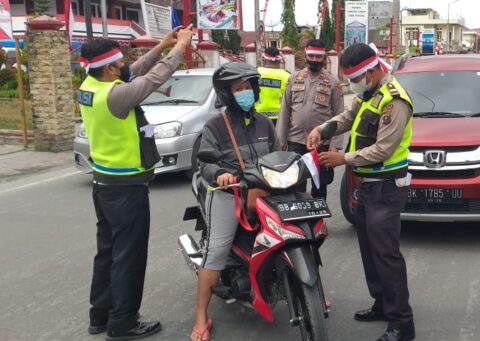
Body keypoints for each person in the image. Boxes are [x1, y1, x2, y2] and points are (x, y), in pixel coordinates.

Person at [78, 24, 194, 340]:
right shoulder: (115, 96)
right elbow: (152, 79)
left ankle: (99, 316)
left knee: (108, 252)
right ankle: (123, 322)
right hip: (125, 187)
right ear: (108, 69)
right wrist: (179, 48)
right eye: (118, 63)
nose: (124, 66)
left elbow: (133, 71)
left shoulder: (90, 85)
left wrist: (160, 45)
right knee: (129, 256)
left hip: (103, 184)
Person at [306, 43, 415, 341]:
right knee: (369, 250)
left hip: (386, 187)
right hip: (367, 187)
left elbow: (383, 149)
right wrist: (323, 129)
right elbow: (346, 118)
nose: (353, 85)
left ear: (371, 71)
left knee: (386, 254)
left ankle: (402, 324)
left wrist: (344, 159)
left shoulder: (394, 101)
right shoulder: (369, 93)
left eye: (355, 79)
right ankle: (382, 303)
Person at [190, 62, 277, 341]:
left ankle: (307, 284)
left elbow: (278, 155)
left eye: (248, 86)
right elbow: (204, 163)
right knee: (216, 251)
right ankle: (201, 317)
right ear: (227, 94)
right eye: (238, 88)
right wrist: (221, 175)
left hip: (262, 191)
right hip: (230, 194)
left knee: (295, 229)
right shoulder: (215, 125)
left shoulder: (264, 123)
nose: (245, 92)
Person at [276, 39, 344, 198]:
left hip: (321, 144)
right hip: (296, 141)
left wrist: (335, 145)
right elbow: (285, 110)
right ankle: (299, 221)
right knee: (295, 184)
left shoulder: (333, 82)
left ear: (324, 57)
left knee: (320, 184)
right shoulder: (294, 79)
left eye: (318, 56)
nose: (314, 59)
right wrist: (281, 139)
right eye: (311, 55)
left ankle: (318, 220)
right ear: (306, 55)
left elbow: (339, 115)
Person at [255, 47, 291, 124]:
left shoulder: (255, 73)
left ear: (264, 60)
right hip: (279, 117)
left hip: (258, 115)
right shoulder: (287, 76)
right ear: (279, 61)